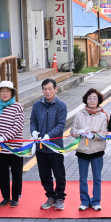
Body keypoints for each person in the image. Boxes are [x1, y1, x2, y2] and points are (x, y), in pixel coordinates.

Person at [30, 78, 68, 211]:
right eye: (45, 89)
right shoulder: (36, 105)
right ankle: (50, 196)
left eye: (50, 89)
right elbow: (32, 121)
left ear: (55, 89)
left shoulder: (61, 105)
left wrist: (48, 136)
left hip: (55, 146)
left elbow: (61, 125)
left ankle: (60, 197)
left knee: (59, 173)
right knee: (44, 174)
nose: (47, 92)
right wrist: (34, 131)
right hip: (41, 147)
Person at [0, 81, 25, 208]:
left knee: (16, 173)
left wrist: (4, 137)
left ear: (12, 93)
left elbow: (17, 127)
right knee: (2, 174)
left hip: (15, 149)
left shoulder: (18, 107)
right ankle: (5, 197)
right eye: (2, 91)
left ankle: (15, 198)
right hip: (0, 148)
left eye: (7, 91)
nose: (5, 94)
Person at [72, 88, 108, 211]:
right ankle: (84, 201)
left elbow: (104, 133)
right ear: (85, 100)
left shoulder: (103, 115)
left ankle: (96, 201)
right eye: (89, 98)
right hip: (82, 151)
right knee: (83, 178)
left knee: (97, 178)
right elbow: (73, 131)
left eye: (94, 98)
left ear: (99, 100)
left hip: (97, 151)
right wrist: (80, 132)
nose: (92, 100)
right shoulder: (79, 114)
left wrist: (94, 136)